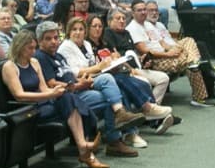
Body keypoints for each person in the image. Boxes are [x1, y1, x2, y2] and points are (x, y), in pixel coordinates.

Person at [0, 29, 108, 168]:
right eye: (30, 48)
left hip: (45, 102)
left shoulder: (34, 62)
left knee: (68, 96)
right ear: (19, 47)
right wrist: (51, 94)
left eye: (34, 48)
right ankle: (84, 149)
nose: (33, 51)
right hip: (29, 109)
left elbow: (44, 88)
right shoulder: (9, 66)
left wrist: (60, 90)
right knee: (71, 101)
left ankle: (83, 147)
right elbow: (19, 95)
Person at [34, 20, 138, 159]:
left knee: (110, 93)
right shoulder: (40, 57)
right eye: (48, 39)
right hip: (65, 98)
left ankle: (117, 133)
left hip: (77, 90)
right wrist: (78, 85)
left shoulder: (58, 56)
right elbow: (51, 84)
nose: (53, 42)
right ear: (39, 41)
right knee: (110, 99)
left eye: (55, 37)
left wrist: (83, 81)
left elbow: (70, 76)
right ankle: (114, 140)